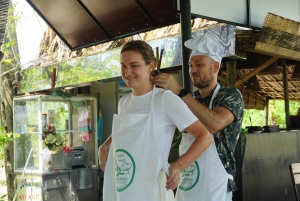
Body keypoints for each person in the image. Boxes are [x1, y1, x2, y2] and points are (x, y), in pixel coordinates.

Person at [98, 40, 213, 201]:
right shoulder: (123, 102)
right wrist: (104, 146)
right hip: (125, 190)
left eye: (134, 65)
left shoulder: (164, 100)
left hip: (152, 191)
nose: (127, 72)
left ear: (150, 66)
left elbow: (205, 136)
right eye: (123, 66)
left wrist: (179, 165)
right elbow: (123, 135)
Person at [152, 24, 244, 201]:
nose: (192, 70)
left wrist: (179, 91)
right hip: (188, 181)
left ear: (215, 67)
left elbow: (214, 124)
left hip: (215, 185)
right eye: (190, 65)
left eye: (199, 65)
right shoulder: (190, 98)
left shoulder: (230, 95)